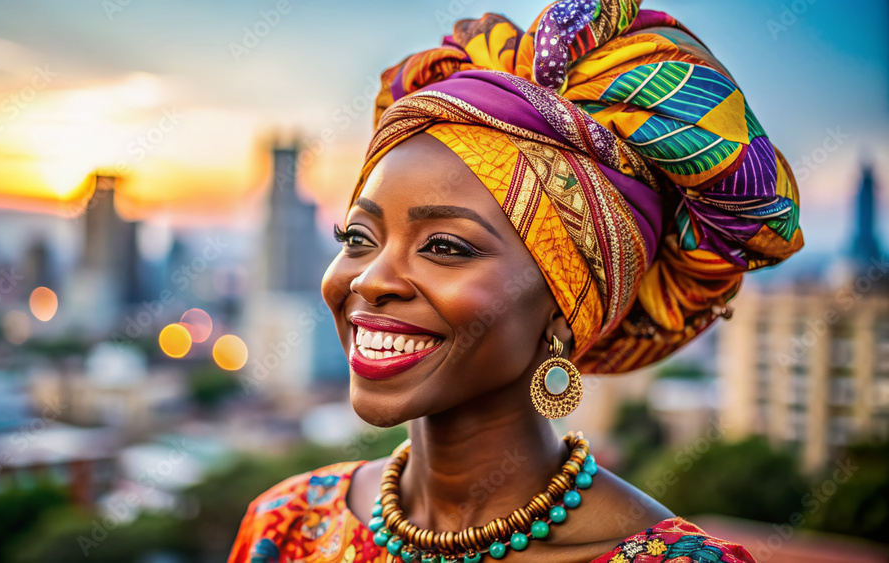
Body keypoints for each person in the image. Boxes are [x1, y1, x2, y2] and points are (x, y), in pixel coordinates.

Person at [229, 0, 803, 561]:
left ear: (563, 307)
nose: (372, 280)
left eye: (446, 247)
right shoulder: (285, 526)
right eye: (357, 238)